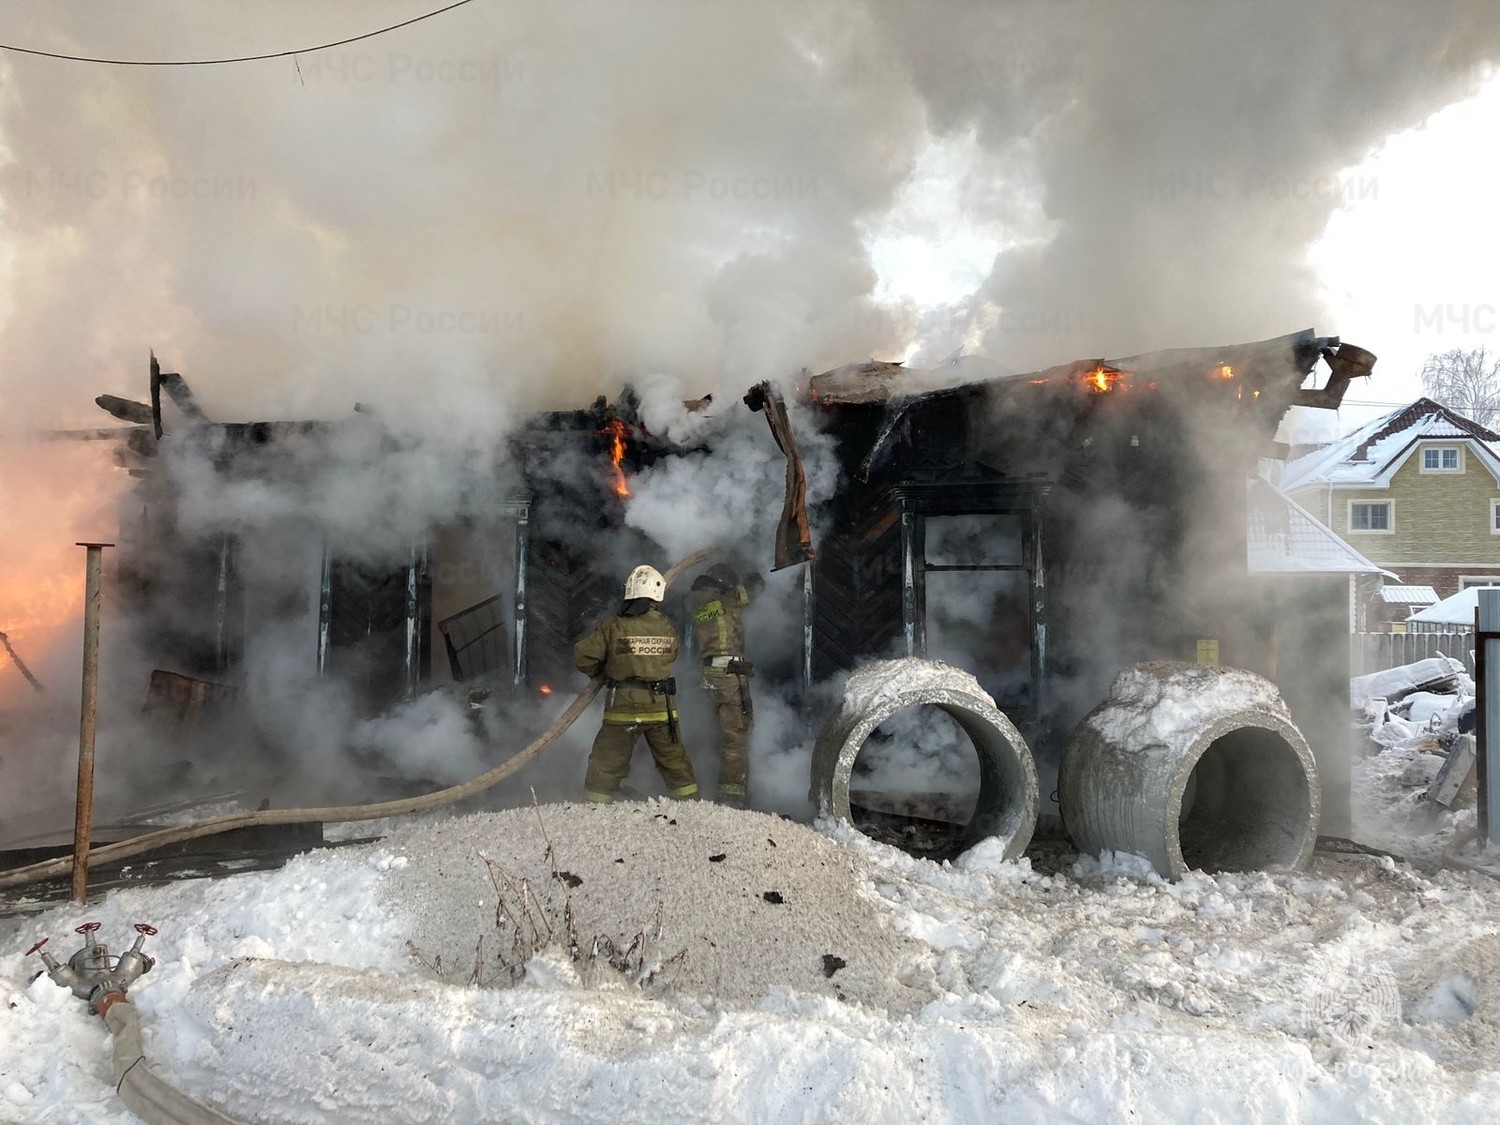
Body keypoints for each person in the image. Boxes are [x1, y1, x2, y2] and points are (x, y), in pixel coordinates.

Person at [574, 564, 698, 803]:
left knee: (605, 765)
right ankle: (693, 808)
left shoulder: (613, 626)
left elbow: (583, 657)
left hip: (623, 709)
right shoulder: (667, 626)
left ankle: (593, 811)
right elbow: (672, 655)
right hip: (661, 708)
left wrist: (603, 671)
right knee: (675, 765)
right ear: (657, 595)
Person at [688, 562, 764, 806]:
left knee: (711, 735)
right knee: (736, 738)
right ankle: (732, 798)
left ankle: (705, 787)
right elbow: (756, 586)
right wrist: (749, 563)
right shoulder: (730, 601)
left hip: (708, 677)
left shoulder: (701, 607)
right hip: (730, 678)